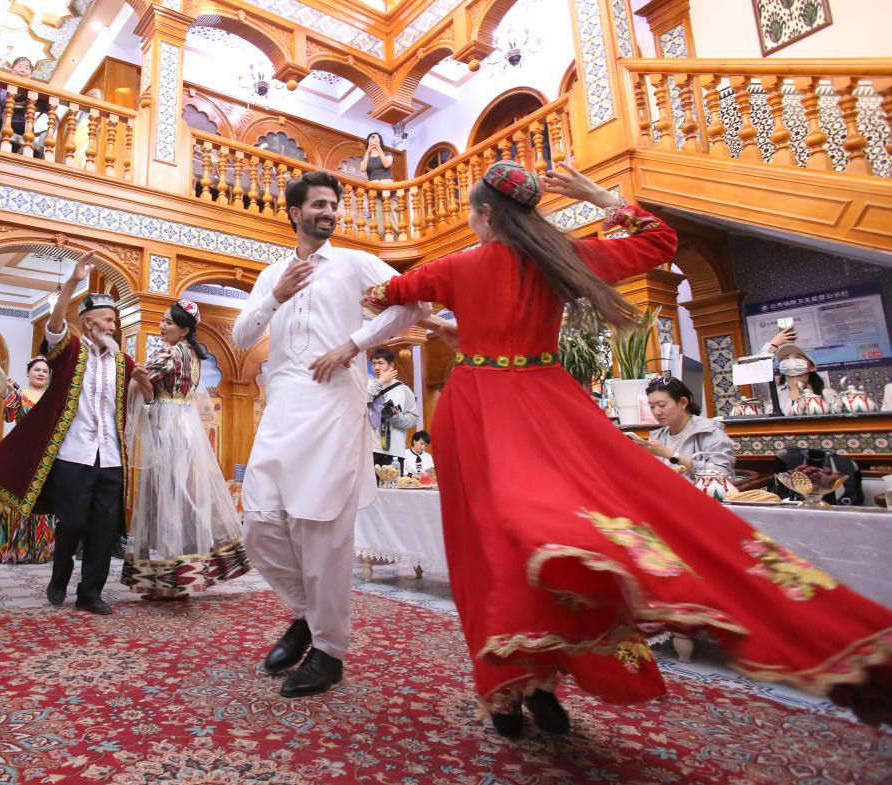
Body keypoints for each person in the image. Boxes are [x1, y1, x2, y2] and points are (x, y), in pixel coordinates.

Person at [362, 160, 892, 735]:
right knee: (595, 517)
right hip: (549, 399)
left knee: (489, 545)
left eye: (472, 213)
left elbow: (381, 292)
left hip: (478, 408)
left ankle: (512, 686)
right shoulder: (562, 256)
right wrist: (600, 196)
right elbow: (659, 241)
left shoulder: (457, 266)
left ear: (485, 214)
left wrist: (443, 324)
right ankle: (545, 681)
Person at [232, 170, 429, 698]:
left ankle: (329, 651)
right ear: (295, 212)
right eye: (319, 204)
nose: (329, 212)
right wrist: (274, 297)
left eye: (333, 205)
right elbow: (243, 335)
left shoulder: (355, 263)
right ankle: (305, 615)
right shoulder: (272, 273)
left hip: (334, 403)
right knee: (259, 523)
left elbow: (416, 304)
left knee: (321, 530)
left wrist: (353, 345)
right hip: (282, 406)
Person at [0, 252, 153, 614]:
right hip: (73, 455)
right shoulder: (70, 350)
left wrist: (145, 384)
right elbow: (54, 327)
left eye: (115, 321)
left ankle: (90, 593)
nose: (114, 327)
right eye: (108, 320)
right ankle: (60, 575)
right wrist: (72, 282)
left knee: (104, 528)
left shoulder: (123, 361)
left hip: (111, 458)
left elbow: (143, 400)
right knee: (73, 522)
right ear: (87, 323)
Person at [121, 299, 249, 599]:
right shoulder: (192, 355)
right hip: (187, 425)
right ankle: (185, 576)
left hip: (168, 424)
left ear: (184, 329)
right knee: (183, 498)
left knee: (166, 499)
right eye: (162, 320)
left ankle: (171, 581)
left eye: (168, 322)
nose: (162, 325)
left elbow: (141, 384)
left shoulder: (168, 353)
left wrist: (136, 380)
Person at [0, 356, 56, 564]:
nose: (41, 374)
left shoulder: (53, 398)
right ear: (28, 373)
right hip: (21, 454)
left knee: (43, 501)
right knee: (18, 500)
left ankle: (41, 551)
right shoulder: (19, 394)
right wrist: (12, 392)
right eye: (37, 370)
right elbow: (8, 417)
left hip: (46, 456)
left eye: (45, 371)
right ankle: (14, 550)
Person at [638, 376, 735, 478]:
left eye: (662, 405)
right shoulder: (657, 437)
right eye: (652, 407)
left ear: (683, 403)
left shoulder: (710, 432)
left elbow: (722, 474)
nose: (657, 412)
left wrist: (669, 454)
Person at [367, 347, 419, 477]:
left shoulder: (404, 390)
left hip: (394, 452)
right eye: (373, 364)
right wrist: (380, 382)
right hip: (369, 449)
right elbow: (360, 402)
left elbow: (414, 418)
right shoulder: (367, 386)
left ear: (391, 365)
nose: (376, 367)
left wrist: (396, 418)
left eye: (380, 363)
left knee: (393, 488)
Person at [361, 132, 399, 238]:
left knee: (393, 217)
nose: (375, 140)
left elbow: (386, 164)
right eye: (372, 138)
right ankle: (381, 238)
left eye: (377, 138)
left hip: (388, 188)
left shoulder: (387, 154)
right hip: (374, 190)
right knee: (377, 219)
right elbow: (363, 168)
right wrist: (368, 151)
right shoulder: (367, 157)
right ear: (369, 141)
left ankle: (395, 238)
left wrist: (378, 148)